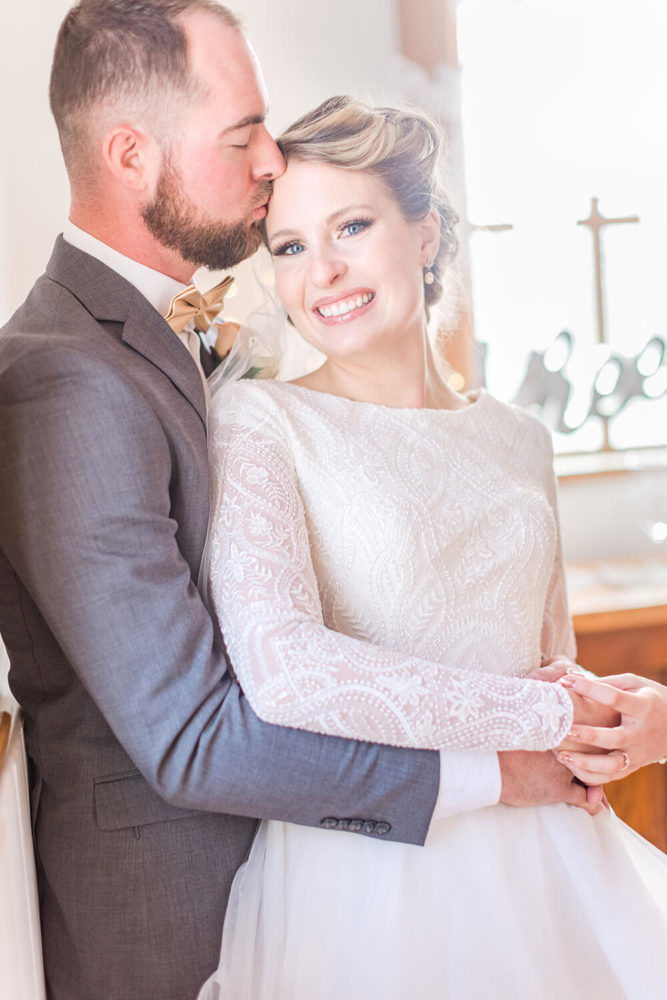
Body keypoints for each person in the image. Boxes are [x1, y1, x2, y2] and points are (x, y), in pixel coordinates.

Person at [0, 4, 602, 997]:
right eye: (242, 134)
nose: (270, 153)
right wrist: (501, 766)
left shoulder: (179, 339)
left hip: (324, 872)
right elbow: (192, 735)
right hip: (171, 920)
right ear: (131, 155)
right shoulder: (62, 375)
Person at [197, 96, 667, 999]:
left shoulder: (519, 437)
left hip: (552, 856)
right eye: (289, 247)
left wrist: (633, 721)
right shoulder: (260, 422)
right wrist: (542, 721)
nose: (321, 271)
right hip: (370, 877)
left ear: (424, 231)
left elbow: (548, 665)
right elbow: (285, 670)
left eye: (352, 226)